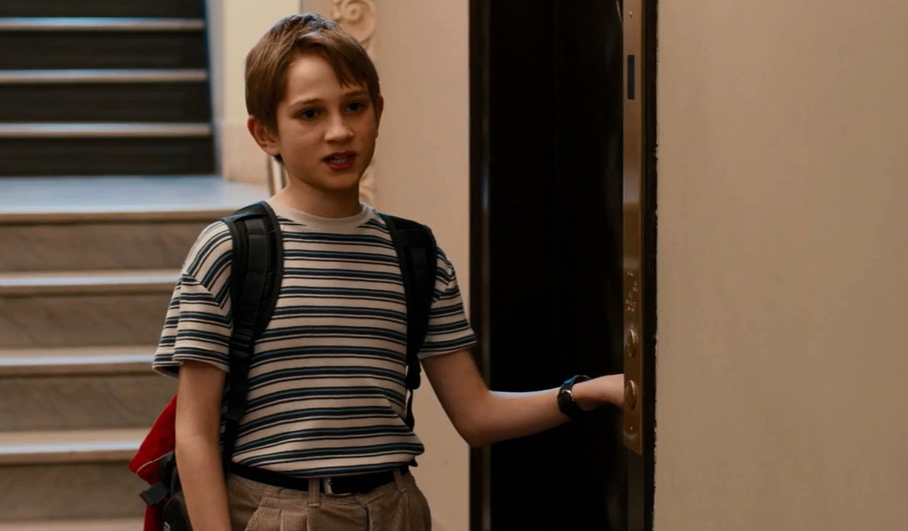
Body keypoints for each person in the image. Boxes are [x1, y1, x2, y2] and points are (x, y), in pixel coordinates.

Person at [152, 13, 625, 531]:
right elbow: (194, 433)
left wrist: (586, 392)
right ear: (265, 133)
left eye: (354, 106)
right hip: (277, 510)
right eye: (310, 114)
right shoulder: (231, 250)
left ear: (377, 112)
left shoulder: (414, 253)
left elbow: (476, 415)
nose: (339, 131)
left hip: (397, 509)